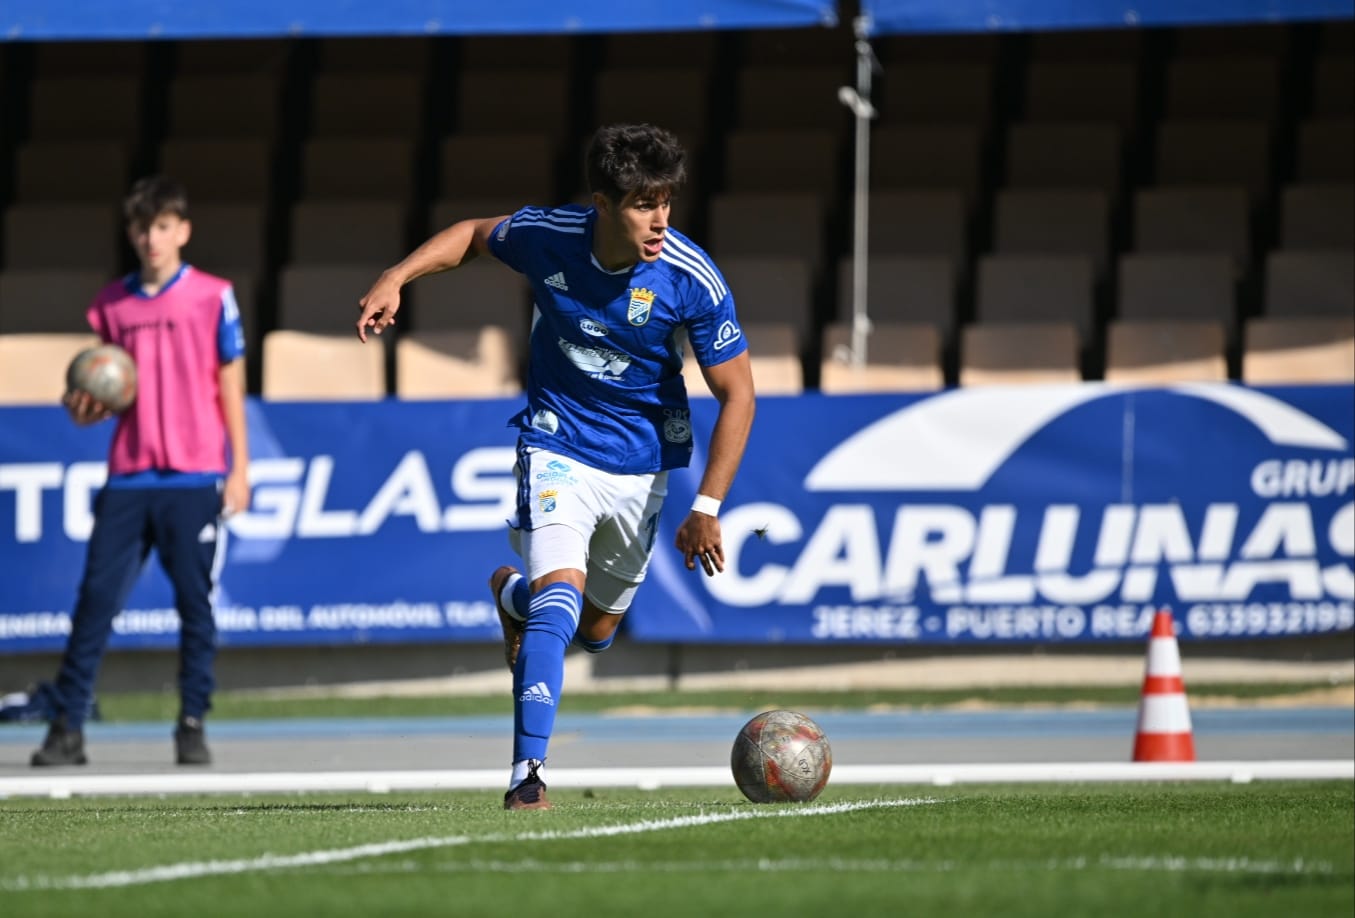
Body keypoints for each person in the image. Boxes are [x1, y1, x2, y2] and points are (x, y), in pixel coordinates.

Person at [356, 123, 756, 810]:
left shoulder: (690, 276)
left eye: (665, 200)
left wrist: (707, 507)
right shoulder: (549, 234)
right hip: (556, 443)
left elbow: (738, 392)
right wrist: (396, 276)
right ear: (601, 203)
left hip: (641, 463)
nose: (659, 219)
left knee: (596, 631)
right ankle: (526, 775)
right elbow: (474, 235)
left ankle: (512, 596)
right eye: (640, 203)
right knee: (561, 601)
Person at [30, 175, 251, 767]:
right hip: (129, 475)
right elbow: (101, 391)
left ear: (182, 230)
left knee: (195, 607)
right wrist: (81, 409)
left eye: (162, 226)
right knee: (95, 602)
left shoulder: (212, 295)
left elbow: (231, 382)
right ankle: (67, 728)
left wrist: (239, 468)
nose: (152, 238)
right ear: (130, 234)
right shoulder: (111, 304)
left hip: (195, 473)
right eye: (141, 228)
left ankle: (191, 722)